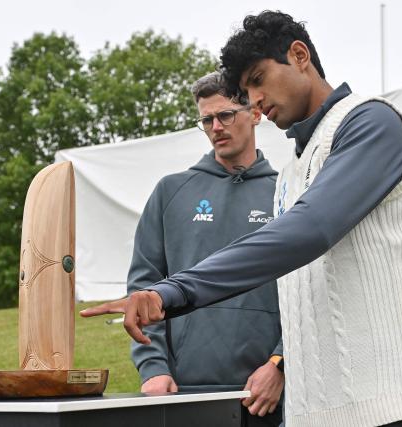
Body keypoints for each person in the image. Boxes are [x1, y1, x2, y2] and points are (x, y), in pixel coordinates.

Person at [82, 11, 402, 427]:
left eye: (258, 79)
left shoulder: (371, 122)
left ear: (299, 56)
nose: (254, 99)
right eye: (245, 90)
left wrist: (174, 292)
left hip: (393, 409)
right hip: (313, 415)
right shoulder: (293, 169)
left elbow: (308, 230)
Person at [128, 71, 283, 426]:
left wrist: (280, 365)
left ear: (255, 114)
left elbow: (311, 291)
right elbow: (144, 288)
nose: (217, 126)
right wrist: (153, 368)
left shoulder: (286, 193)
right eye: (207, 119)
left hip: (267, 395)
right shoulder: (171, 192)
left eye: (226, 115)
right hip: (184, 393)